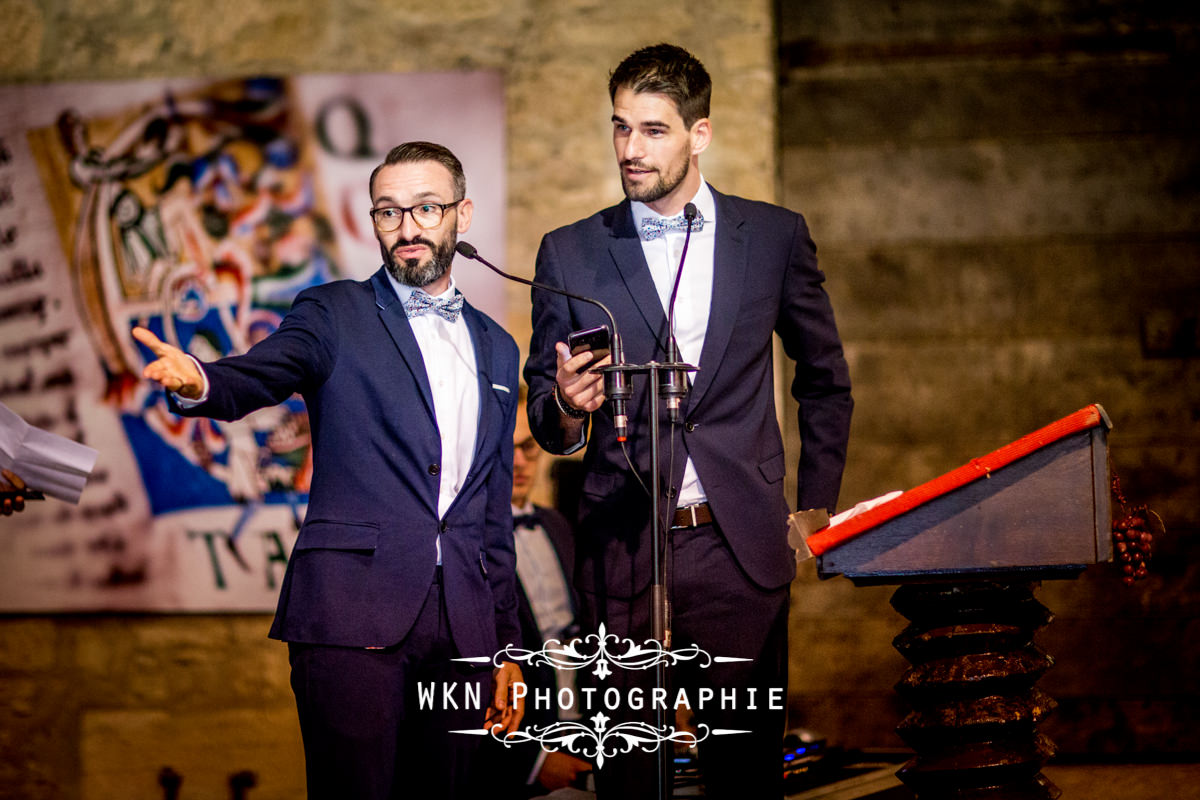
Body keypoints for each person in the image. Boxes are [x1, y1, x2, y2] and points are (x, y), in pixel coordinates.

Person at [133, 141, 525, 800]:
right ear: (373, 222)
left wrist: (508, 647)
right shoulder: (333, 312)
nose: (407, 228)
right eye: (388, 212)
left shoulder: (498, 345)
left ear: (463, 214)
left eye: (427, 208)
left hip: (465, 624)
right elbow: (262, 371)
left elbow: (490, 512)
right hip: (353, 612)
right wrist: (201, 380)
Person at [524, 44, 853, 799]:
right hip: (621, 549)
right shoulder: (569, 252)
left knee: (743, 774)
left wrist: (814, 504)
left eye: (653, 130)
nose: (630, 150)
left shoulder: (772, 238)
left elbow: (826, 377)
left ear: (699, 134)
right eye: (619, 128)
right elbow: (545, 413)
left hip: (738, 545)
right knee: (631, 780)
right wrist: (568, 408)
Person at [481, 391, 592, 798]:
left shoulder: (559, 525)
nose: (521, 461)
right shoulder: (466, 541)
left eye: (529, 447)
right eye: (507, 449)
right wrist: (532, 761)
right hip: (513, 759)